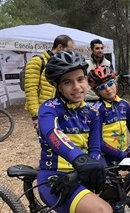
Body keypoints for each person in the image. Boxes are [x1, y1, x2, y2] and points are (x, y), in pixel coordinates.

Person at [37, 51, 112, 213]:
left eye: (80, 79)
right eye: (67, 82)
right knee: (103, 210)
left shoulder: (93, 112)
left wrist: (94, 165)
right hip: (55, 176)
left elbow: (95, 148)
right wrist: (79, 159)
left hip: (81, 174)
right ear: (56, 85)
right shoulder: (48, 109)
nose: (77, 87)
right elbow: (53, 134)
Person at [87, 65, 130, 197]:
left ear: (116, 81)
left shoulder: (124, 104)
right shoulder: (98, 109)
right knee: (108, 187)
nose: (107, 89)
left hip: (120, 151)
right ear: (96, 92)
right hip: (103, 155)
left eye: (110, 83)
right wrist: (122, 155)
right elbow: (98, 142)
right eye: (101, 87)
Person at [25, 35, 74, 131]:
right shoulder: (37, 61)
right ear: (60, 47)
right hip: (45, 111)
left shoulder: (63, 64)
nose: (70, 53)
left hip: (62, 110)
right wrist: (35, 115)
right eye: (68, 50)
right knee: (48, 141)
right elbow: (31, 89)